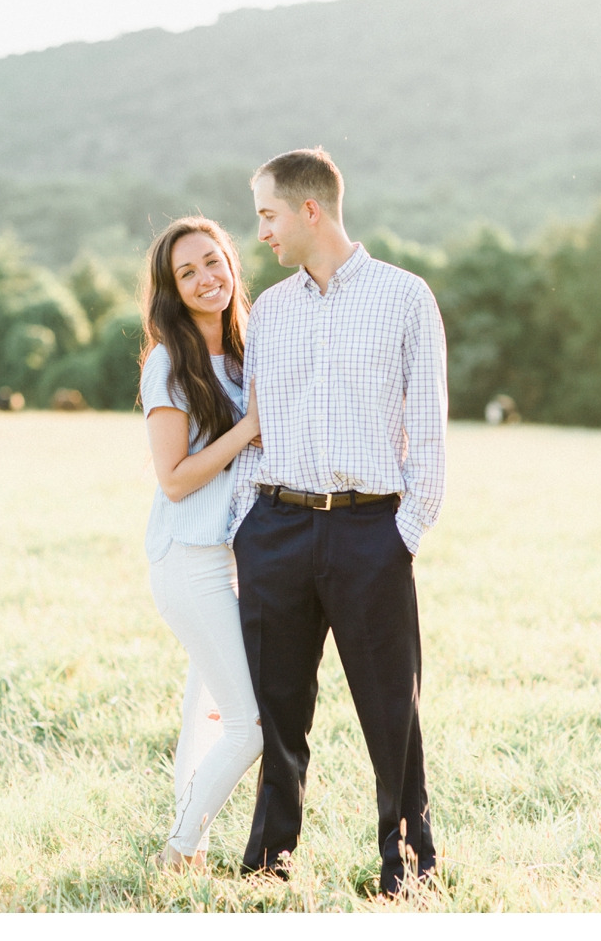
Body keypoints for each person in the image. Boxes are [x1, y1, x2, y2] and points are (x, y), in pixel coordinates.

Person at [227, 147, 446, 898]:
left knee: (392, 712)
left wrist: (402, 535)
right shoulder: (271, 315)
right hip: (276, 528)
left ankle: (408, 866)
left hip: (369, 533)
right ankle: (268, 861)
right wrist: (245, 531)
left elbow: (432, 433)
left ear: (308, 209)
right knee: (277, 708)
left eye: (267, 214)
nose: (261, 232)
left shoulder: (406, 297)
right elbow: (257, 430)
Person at [139, 215, 264, 871]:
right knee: (250, 727)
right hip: (189, 562)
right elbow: (175, 479)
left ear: (231, 263)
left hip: (238, 561)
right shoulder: (169, 362)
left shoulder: (249, 350)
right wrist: (250, 427)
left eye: (212, 261)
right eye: (187, 272)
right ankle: (179, 848)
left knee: (208, 716)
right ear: (173, 290)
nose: (205, 278)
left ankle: (191, 842)